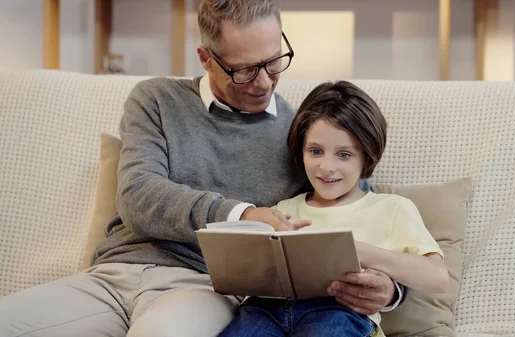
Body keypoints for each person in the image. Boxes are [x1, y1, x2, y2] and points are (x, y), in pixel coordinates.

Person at [0, 1, 405, 336]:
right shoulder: (156, 99)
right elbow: (138, 195)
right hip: (110, 277)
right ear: (206, 58)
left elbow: (356, 202)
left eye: (274, 61)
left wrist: (391, 291)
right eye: (245, 69)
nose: (264, 82)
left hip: (202, 287)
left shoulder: (301, 133)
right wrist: (243, 214)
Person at [217, 81, 449, 337]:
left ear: (367, 157)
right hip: (265, 309)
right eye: (315, 151)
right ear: (301, 151)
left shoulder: (391, 208)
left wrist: (362, 253)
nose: (326, 167)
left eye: (344, 155)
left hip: (339, 311)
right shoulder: (284, 208)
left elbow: (437, 278)